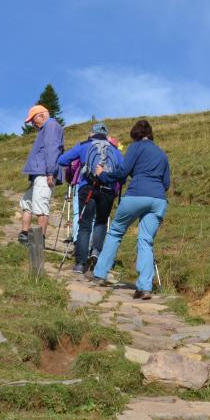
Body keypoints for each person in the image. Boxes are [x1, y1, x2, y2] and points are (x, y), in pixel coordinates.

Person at [90, 118, 171, 300]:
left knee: (116, 231)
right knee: (146, 240)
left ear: (135, 135)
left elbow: (122, 173)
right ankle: (144, 287)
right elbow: (166, 183)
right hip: (158, 199)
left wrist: (102, 174)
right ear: (150, 135)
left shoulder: (135, 147)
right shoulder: (162, 154)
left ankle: (100, 274)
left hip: (136, 194)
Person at [57, 123, 122, 275]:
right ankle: (96, 253)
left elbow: (62, 161)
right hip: (108, 190)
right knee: (100, 222)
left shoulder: (84, 145)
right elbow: (123, 171)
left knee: (85, 224)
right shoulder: (115, 150)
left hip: (87, 187)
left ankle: (80, 263)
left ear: (91, 133)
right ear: (106, 135)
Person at [18, 104, 64, 244]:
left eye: (33, 120)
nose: (33, 124)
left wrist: (50, 172)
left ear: (42, 115)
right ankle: (25, 235)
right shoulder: (46, 127)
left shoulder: (51, 125)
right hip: (39, 173)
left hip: (45, 173)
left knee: (40, 206)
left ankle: (39, 241)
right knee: (27, 202)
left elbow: (52, 149)